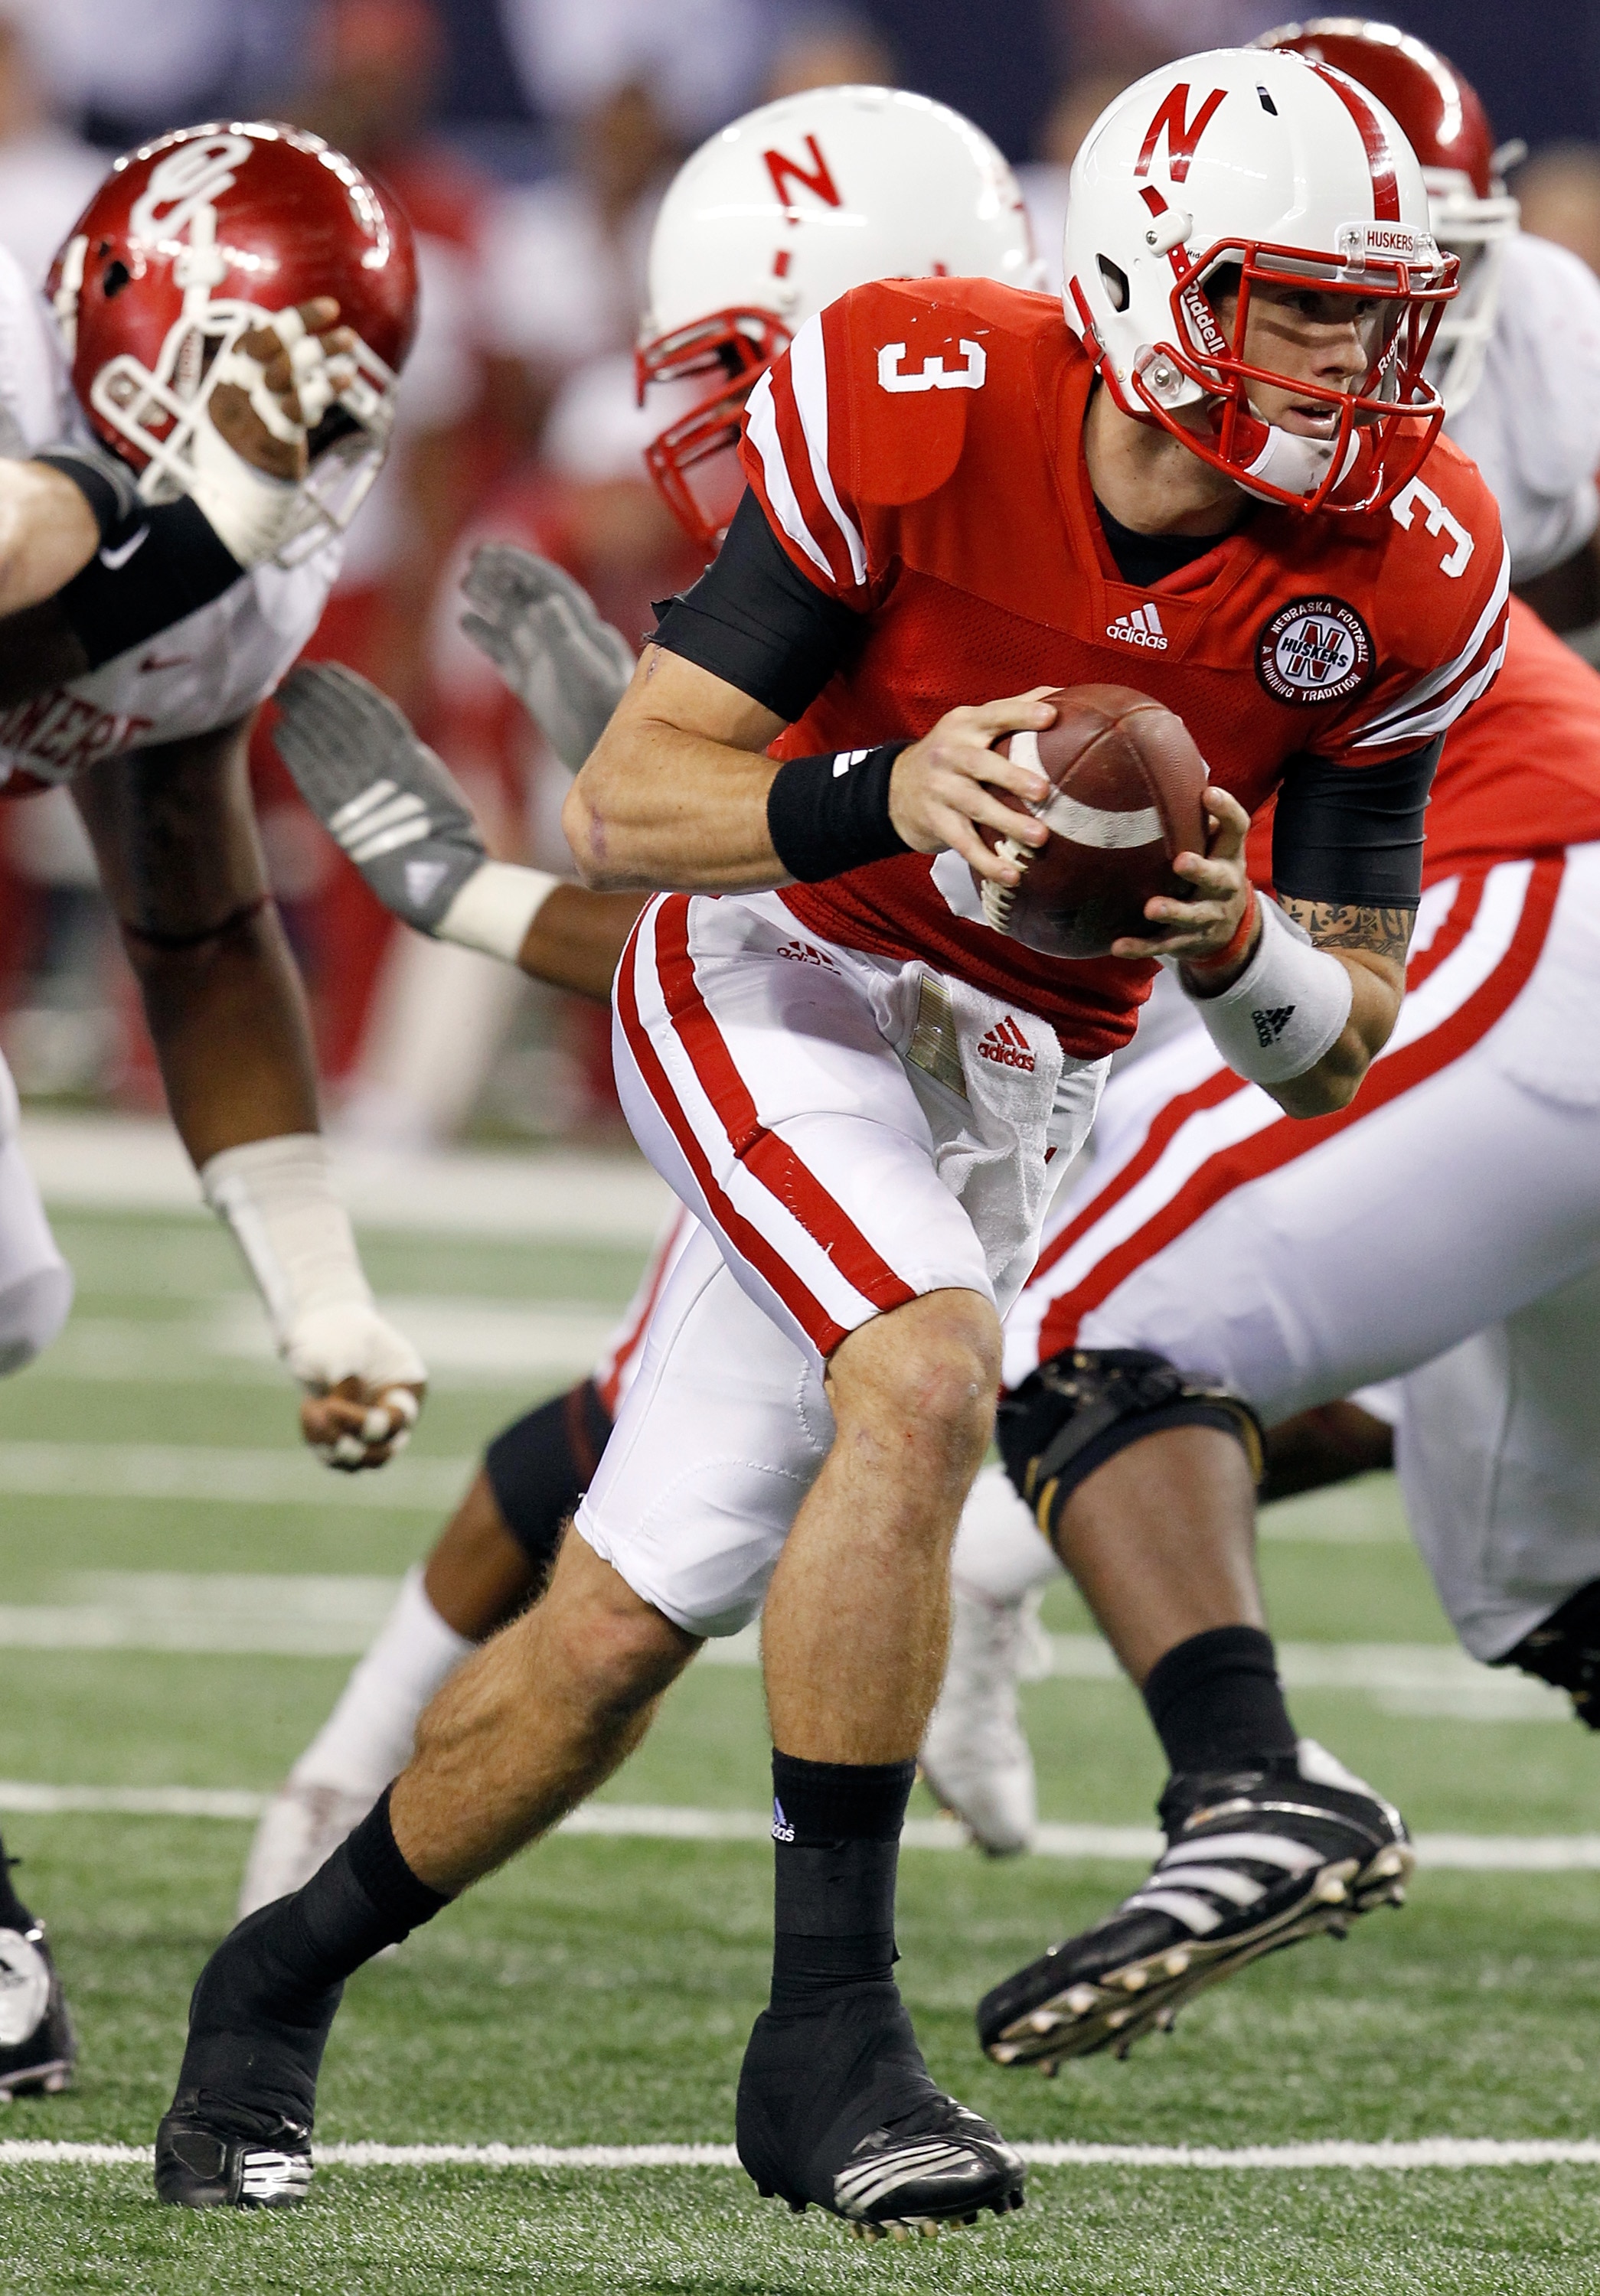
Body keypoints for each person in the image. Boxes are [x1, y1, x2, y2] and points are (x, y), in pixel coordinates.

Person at [155, 48, 1505, 2234]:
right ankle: (827, 2054)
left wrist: (1243, 938)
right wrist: (892, 787)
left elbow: (1336, 1038)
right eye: (1305, 306)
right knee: (927, 1369)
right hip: (780, 968)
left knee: (611, 1633)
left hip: (1019, 1069)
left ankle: (270, 1980)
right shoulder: (917, 382)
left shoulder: (1411, 565)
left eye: (1381, 312)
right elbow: (633, 798)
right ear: (1164, 283)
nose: (1364, 360)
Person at [235, 77, 1049, 1916]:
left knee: (996, 1420)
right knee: (630, 1442)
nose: (722, 428)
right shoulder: (897, 530)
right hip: (938, 1080)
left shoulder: (1054, 578)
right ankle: (342, 1787)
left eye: (758, 375)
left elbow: (895, 963)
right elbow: (786, 949)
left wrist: (476, 891)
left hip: (1084, 1121)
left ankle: (1118, 1660)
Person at [931, 22, 1600, 2072]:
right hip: (1520, 918)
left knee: (1067, 1318)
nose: (1364, 358)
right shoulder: (972, 430)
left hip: (1537, 892)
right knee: (1542, 1571)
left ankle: (1249, 1784)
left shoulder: (1035, 435)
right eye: (1304, 303)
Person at [0, 118, 425, 2107]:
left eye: (322, 411)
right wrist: (190, 521)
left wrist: (315, 1287)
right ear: (110, 317)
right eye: (250, 388)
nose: (294, 446)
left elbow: (187, 906)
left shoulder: (242, 561)